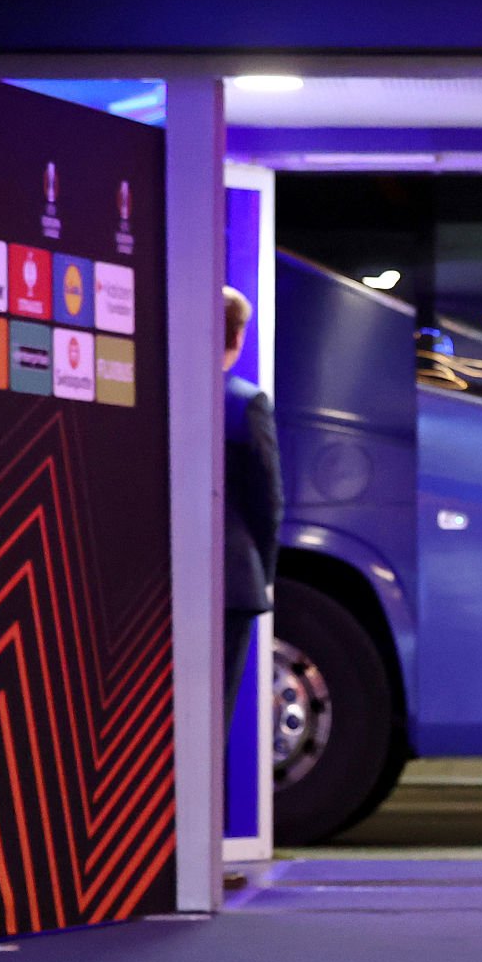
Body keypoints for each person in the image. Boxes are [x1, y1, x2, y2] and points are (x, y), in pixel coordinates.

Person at [222, 286, 284, 738]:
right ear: (238, 336)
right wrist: (265, 570)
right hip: (232, 579)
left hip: (163, 580)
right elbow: (268, 499)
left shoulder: (163, 393)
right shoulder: (246, 402)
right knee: (216, 710)